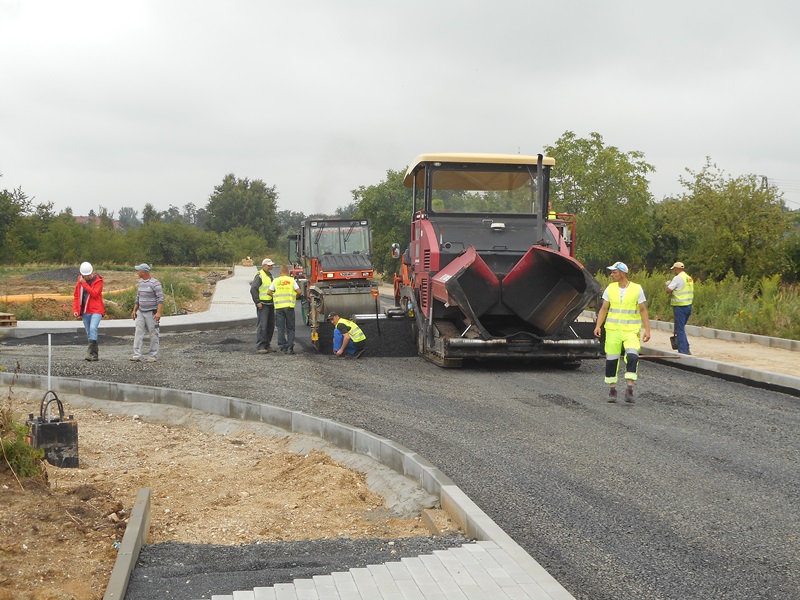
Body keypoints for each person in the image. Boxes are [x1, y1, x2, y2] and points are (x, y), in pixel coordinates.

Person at [593, 261, 651, 404]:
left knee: (632, 356)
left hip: (631, 331)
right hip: (613, 331)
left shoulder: (637, 289)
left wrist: (647, 329)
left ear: (623, 273)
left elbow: (643, 310)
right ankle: (612, 390)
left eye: (614, 272)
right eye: (611, 272)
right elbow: (604, 309)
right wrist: (598, 325)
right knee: (612, 360)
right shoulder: (610, 289)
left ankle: (629, 388)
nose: (612, 274)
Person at [130, 263, 164, 363]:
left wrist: (158, 313)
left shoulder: (155, 283)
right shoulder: (140, 283)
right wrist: (134, 310)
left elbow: (160, 299)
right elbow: (138, 297)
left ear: (143, 272)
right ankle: (137, 355)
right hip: (141, 312)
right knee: (138, 333)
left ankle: (152, 355)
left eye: (138, 271)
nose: (137, 272)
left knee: (153, 334)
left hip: (151, 313)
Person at [72, 261, 105, 361]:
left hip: (96, 309)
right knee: (89, 332)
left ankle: (92, 353)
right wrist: (76, 309)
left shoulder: (98, 281)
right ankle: (94, 354)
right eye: (84, 275)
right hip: (85, 311)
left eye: (87, 275)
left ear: (91, 273)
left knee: (93, 328)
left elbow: (94, 293)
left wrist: (84, 284)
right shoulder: (80, 280)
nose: (86, 277)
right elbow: (77, 295)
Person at [267, 264, 301, 354]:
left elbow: (269, 292)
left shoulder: (276, 280)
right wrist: (295, 297)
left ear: (280, 272)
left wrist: (275, 297)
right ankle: (290, 347)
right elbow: (299, 291)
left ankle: (282, 347)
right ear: (288, 272)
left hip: (279, 307)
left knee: (281, 328)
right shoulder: (291, 280)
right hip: (289, 307)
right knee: (290, 328)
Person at [666, 261, 694, 355]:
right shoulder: (689, 278)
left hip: (680, 306)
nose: (674, 271)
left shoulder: (677, 278)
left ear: (677, 269)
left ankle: (684, 350)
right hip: (688, 305)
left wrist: (668, 285)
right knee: (681, 328)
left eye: (674, 269)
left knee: (679, 329)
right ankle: (685, 347)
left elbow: (669, 290)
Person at [250, 258, 275, 354]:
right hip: (263, 305)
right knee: (263, 325)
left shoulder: (269, 275)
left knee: (270, 325)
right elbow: (253, 289)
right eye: (269, 265)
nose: (271, 267)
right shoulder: (260, 275)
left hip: (270, 304)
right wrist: (257, 302)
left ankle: (267, 345)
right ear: (264, 266)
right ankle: (260, 346)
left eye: (271, 265)